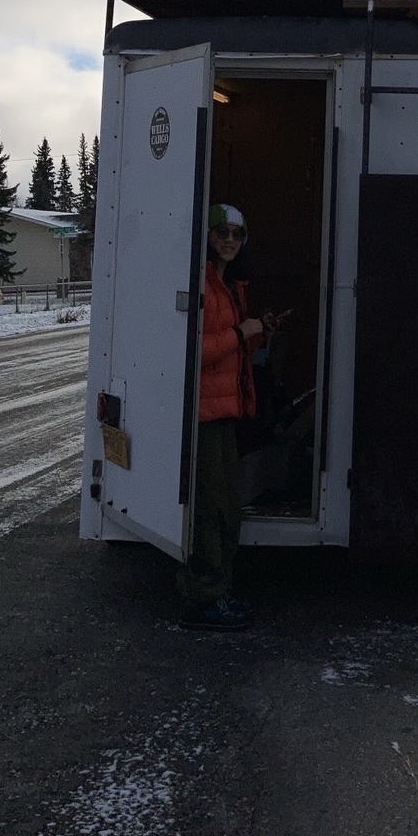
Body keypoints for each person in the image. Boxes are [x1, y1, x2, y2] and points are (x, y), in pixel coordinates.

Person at [177, 203, 274, 630]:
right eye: (221, 232)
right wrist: (241, 332)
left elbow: (232, 354)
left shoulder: (228, 285)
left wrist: (258, 333)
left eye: (237, 233)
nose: (229, 240)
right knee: (210, 511)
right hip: (203, 415)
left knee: (227, 508)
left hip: (224, 413)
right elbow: (194, 351)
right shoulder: (201, 283)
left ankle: (219, 590)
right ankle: (204, 600)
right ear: (207, 236)